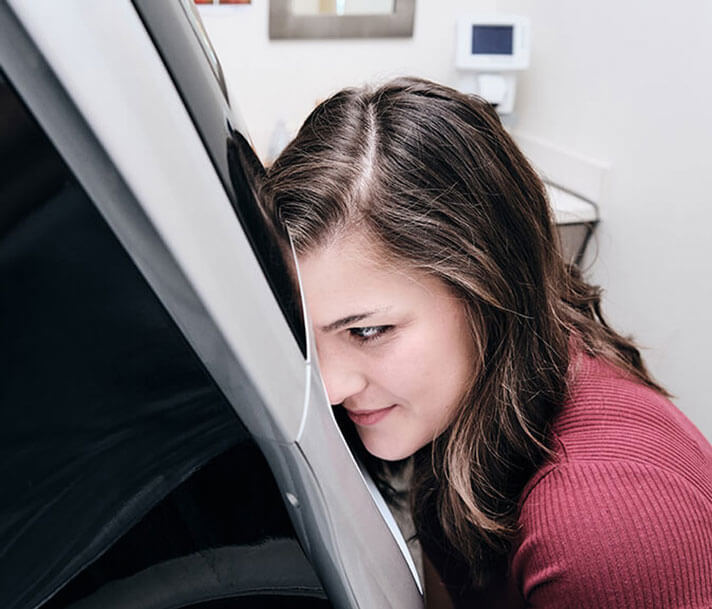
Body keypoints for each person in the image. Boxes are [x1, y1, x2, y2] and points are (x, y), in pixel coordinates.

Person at [259, 77, 712, 608]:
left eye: (367, 331)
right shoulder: (470, 395)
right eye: (306, 335)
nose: (331, 387)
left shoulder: (606, 534)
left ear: (487, 287)